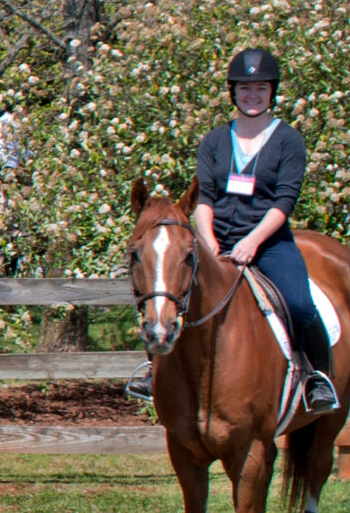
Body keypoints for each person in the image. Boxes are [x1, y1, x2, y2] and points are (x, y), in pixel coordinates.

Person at [127, 48, 338, 411]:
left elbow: (284, 201)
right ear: (233, 92)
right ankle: (153, 369)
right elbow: (204, 197)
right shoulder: (214, 140)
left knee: (300, 304)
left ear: (272, 92)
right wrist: (209, 241)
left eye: (260, 88)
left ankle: (318, 378)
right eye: (245, 88)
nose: (252, 95)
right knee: (168, 288)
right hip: (216, 239)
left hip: (269, 243)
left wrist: (252, 241)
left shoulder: (288, 140)